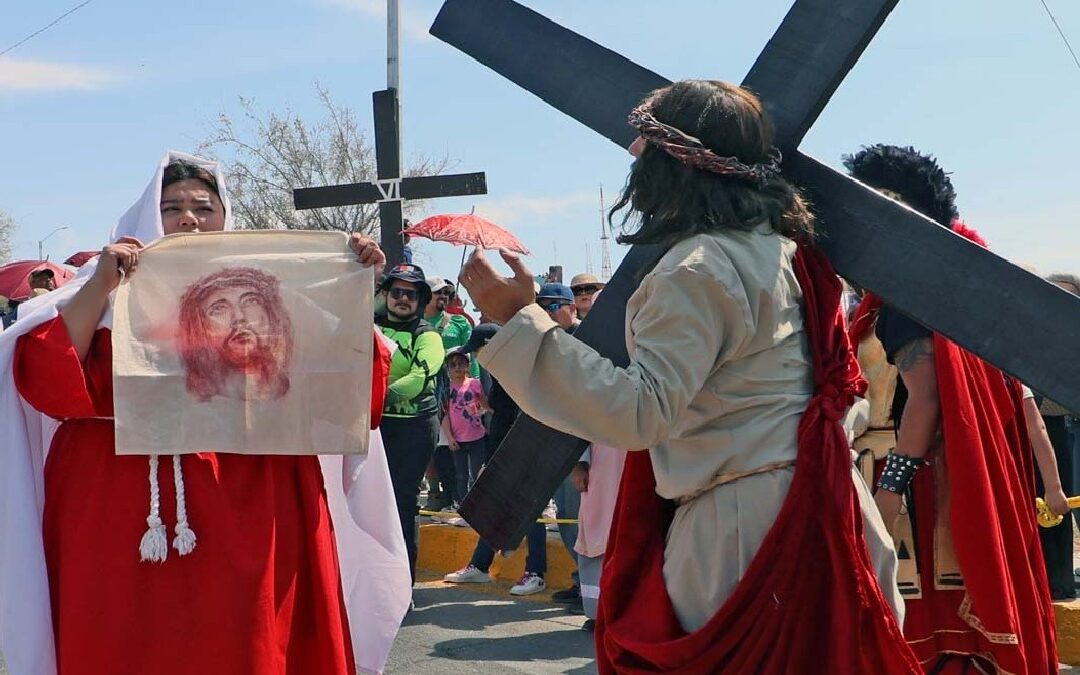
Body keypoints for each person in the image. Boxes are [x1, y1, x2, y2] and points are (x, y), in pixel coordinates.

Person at [460, 79, 914, 673]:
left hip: (745, 527)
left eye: (643, 144)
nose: (631, 157)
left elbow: (642, 411)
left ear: (674, 162)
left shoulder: (699, 268)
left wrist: (519, 323)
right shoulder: (789, 252)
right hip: (826, 502)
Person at [0, 151, 405, 675]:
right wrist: (103, 284)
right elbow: (44, 380)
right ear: (147, 219)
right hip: (118, 512)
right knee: (121, 643)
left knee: (251, 643)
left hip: (257, 500)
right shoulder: (93, 294)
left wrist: (348, 284)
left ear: (225, 215)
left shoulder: (273, 292)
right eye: (171, 208)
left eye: (203, 206)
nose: (190, 219)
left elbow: (352, 388)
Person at [845, 143, 1058, 672]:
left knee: (921, 625)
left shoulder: (908, 301)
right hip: (951, 476)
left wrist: (889, 490)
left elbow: (928, 398)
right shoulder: (951, 294)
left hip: (912, 481)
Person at [443, 323, 553, 596]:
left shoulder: (518, 370)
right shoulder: (501, 372)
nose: (477, 357)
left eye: (478, 349)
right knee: (494, 507)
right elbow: (502, 414)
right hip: (504, 448)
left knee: (531, 509)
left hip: (523, 450)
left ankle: (536, 572)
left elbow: (521, 414)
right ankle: (480, 566)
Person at [375, 262, 445, 583]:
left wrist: (374, 397)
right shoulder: (368, 325)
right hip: (373, 427)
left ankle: (402, 586)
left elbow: (419, 379)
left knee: (400, 505)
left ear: (420, 300)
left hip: (413, 430)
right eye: (397, 291)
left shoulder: (428, 335)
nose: (403, 299)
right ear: (385, 294)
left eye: (411, 294)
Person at [177, 266, 293, 402]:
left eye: (251, 301)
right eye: (219, 309)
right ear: (199, 327)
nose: (239, 317)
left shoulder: (301, 399)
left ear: (271, 314)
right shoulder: (198, 407)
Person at [441, 349, 491, 500]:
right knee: (461, 474)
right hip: (458, 439)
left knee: (477, 472)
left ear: (468, 366)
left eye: (461, 364)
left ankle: (478, 503)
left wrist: (487, 413)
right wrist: (449, 438)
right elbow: (444, 416)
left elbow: (485, 405)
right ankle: (461, 504)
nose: (457, 368)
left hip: (477, 436)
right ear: (448, 369)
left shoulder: (475, 383)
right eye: (453, 365)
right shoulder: (446, 390)